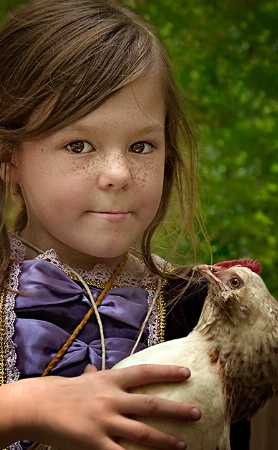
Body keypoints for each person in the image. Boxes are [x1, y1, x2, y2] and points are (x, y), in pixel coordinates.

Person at [0, 0, 250, 449]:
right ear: (9, 157)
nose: (118, 173)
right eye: (78, 145)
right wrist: (23, 407)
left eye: (141, 145)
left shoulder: (198, 310)